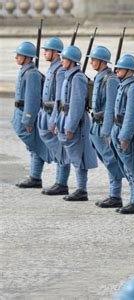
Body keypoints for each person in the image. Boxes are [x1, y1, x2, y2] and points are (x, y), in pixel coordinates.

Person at [55, 45, 98, 201]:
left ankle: (81, 190)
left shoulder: (78, 78)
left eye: (64, 58)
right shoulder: (67, 75)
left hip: (75, 120)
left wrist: (71, 125)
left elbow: (78, 103)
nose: (61, 60)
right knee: (71, 154)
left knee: (78, 154)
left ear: (72, 61)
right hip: (65, 116)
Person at [87, 45, 124, 208]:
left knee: (111, 160)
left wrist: (107, 131)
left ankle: (115, 195)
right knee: (106, 159)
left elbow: (110, 107)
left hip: (104, 125)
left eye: (93, 59)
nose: (91, 62)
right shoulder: (99, 77)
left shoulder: (111, 79)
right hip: (96, 123)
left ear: (102, 61)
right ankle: (113, 194)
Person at [110, 54, 134, 214]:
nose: (116, 70)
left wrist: (125, 136)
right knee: (126, 167)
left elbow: (132, 115)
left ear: (129, 70)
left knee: (133, 168)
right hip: (118, 127)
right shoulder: (123, 85)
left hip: (128, 134)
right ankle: (133, 200)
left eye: (120, 68)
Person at [13, 41, 52, 188]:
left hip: (26, 114)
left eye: (19, 55)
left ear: (28, 57)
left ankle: (35, 177)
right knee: (32, 146)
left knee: (35, 145)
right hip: (20, 113)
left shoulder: (32, 74)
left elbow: (32, 99)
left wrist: (28, 120)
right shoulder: (25, 70)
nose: (16, 57)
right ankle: (34, 177)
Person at [37, 37, 71, 196]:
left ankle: (61, 183)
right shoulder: (53, 68)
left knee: (61, 149)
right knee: (57, 148)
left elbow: (60, 99)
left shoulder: (60, 71)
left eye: (47, 50)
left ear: (56, 53)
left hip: (54, 114)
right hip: (46, 112)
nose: (44, 53)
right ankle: (59, 182)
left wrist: (55, 119)